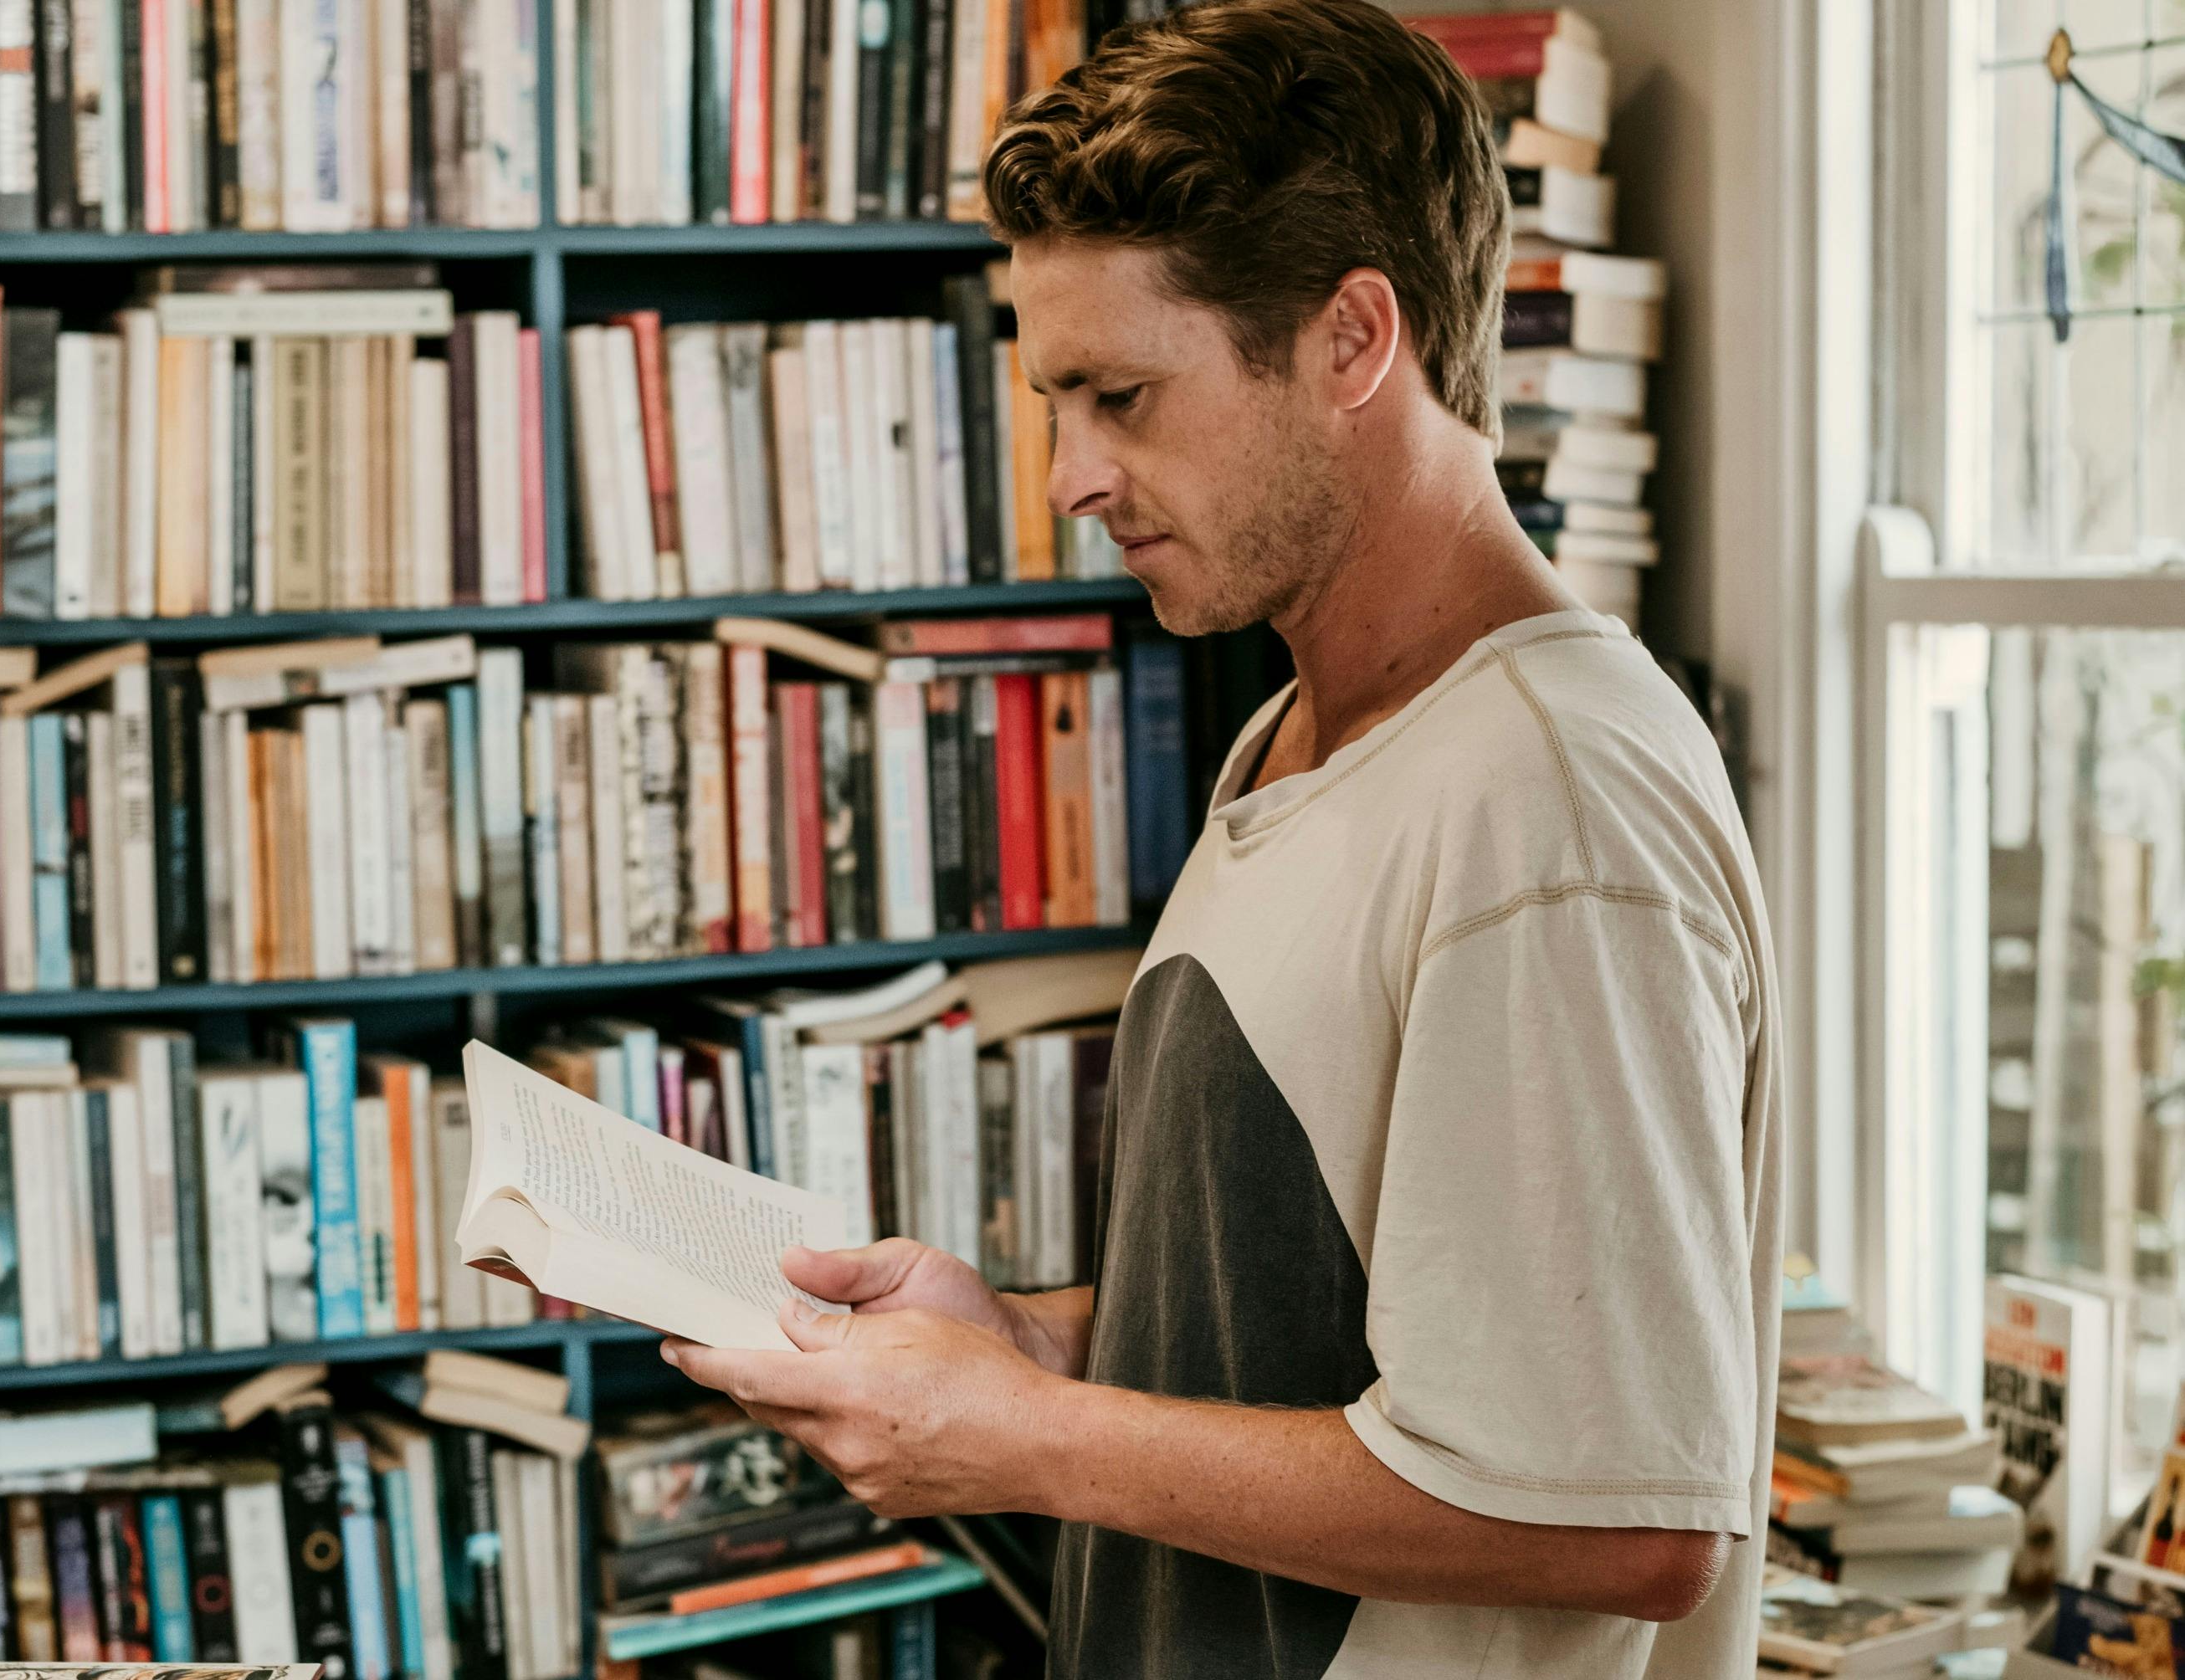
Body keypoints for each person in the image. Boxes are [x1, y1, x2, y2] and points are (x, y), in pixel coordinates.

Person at [666, 0, 1784, 1672]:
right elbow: (1333, 1324)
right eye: (1056, 400)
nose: (1071, 477)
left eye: (1119, 393)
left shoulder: (1546, 800)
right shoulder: (1305, 736)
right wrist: (1031, 1344)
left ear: (1351, 341)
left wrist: (1024, 1436)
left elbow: (1617, 1511)